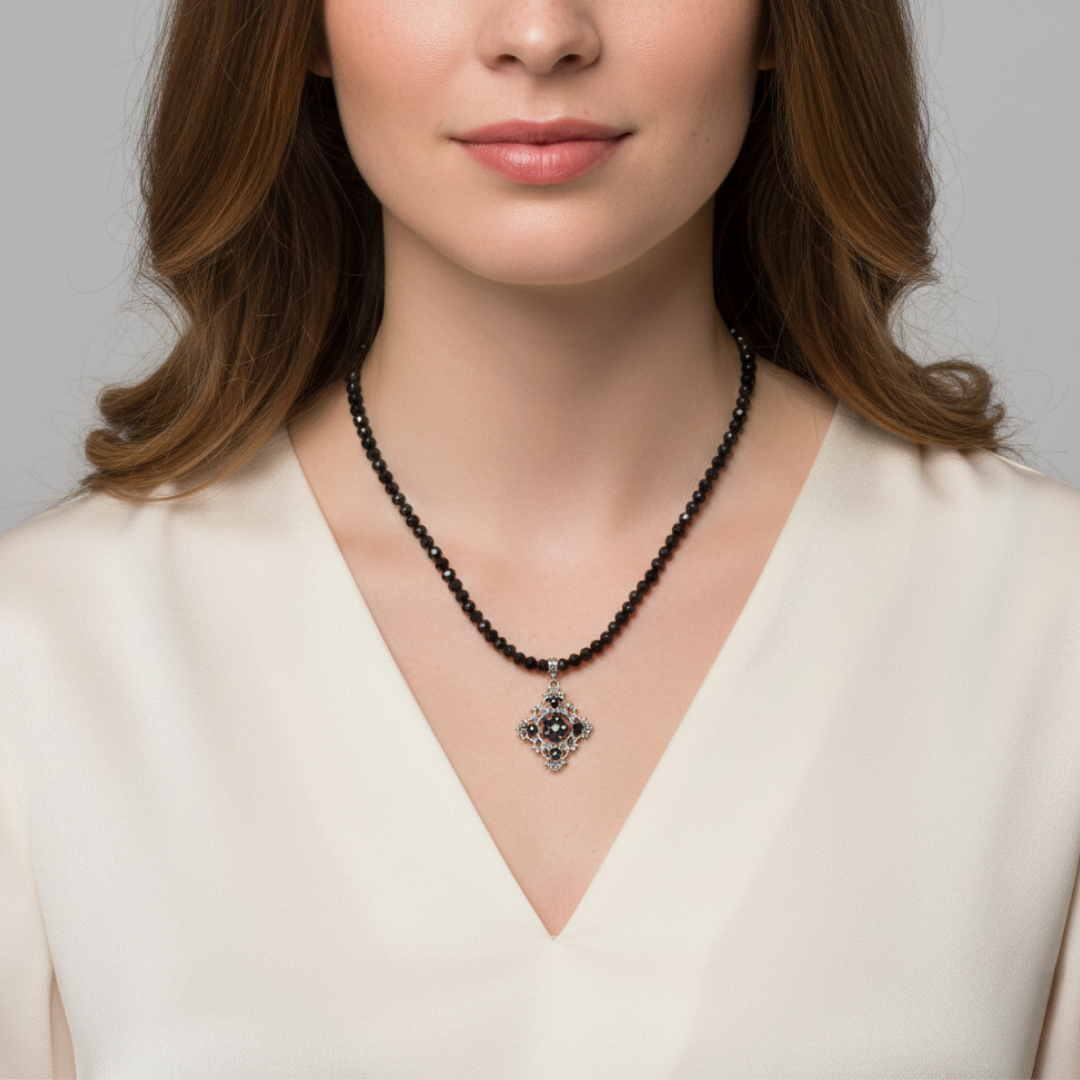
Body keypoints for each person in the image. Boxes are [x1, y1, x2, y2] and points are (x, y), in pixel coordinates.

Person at [2, 0, 1078, 1075]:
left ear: (781, 21)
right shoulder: (47, 655)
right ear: (303, 27)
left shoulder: (1045, 622)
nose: (539, 32)